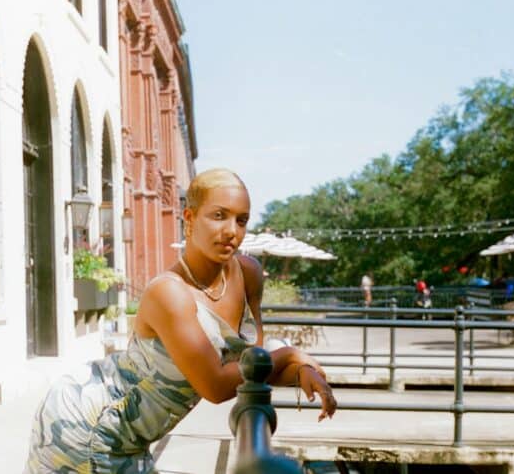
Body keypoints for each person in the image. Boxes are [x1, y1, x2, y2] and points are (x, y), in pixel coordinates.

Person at [25, 168, 337, 473]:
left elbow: (247, 370)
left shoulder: (248, 273)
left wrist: (302, 372)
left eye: (241, 220)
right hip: (92, 423)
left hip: (132, 432)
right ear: (189, 219)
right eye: (219, 216)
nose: (232, 230)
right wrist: (290, 354)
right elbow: (215, 385)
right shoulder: (169, 293)